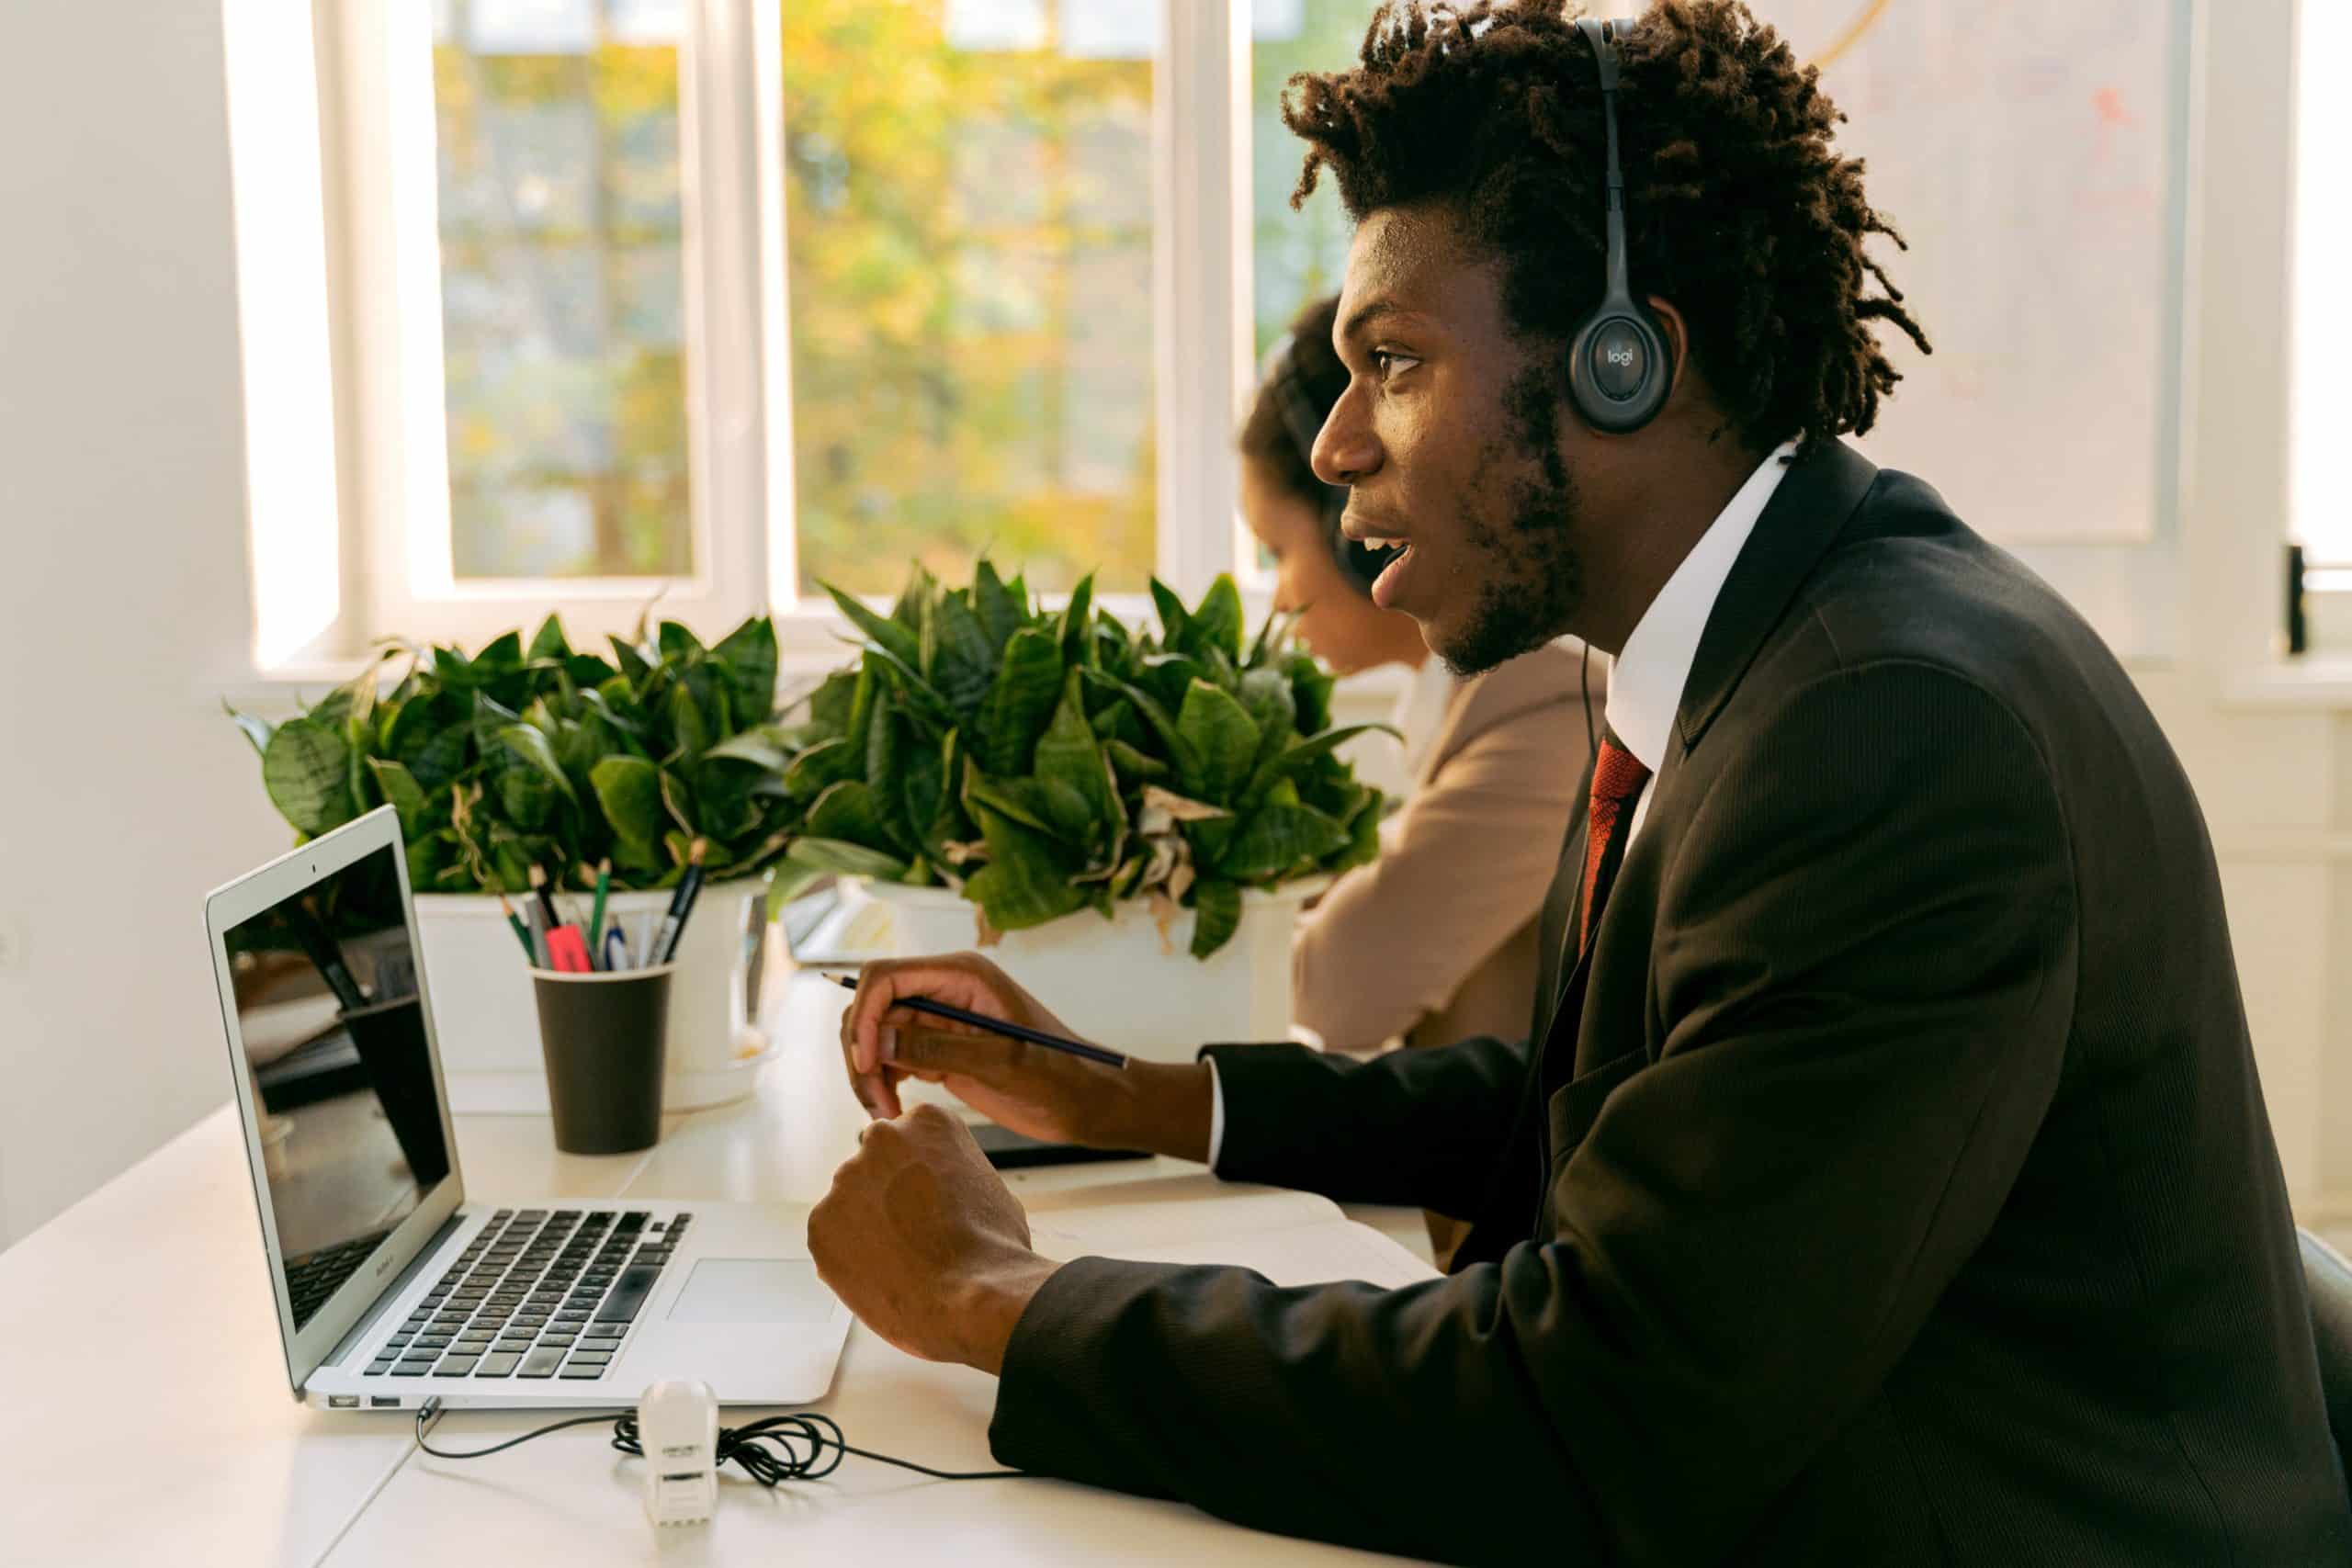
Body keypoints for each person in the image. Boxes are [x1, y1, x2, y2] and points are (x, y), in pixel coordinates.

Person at [809, 4, 2352, 1563]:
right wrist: (1119, 1096)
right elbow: (1594, 1114)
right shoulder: (1752, 647)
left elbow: (1596, 1417)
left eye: (1394, 362)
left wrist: (995, 1301)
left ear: (1627, 365)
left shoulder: (1890, 727)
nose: (1337, 442)